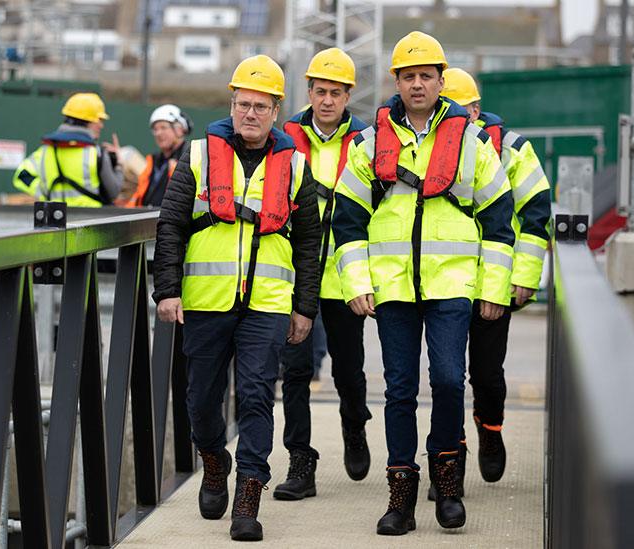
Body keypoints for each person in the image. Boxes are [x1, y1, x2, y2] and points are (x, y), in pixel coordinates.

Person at [331, 31, 515, 535]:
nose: (417, 84)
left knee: (451, 381)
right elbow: (346, 222)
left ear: (440, 80)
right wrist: (356, 282)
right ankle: (401, 499)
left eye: (425, 76)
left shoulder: (473, 144)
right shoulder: (369, 144)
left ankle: (448, 486)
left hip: (452, 285)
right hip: (391, 290)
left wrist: (495, 289)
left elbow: (500, 220)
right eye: (408, 76)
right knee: (399, 391)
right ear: (397, 81)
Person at [152, 54, 321, 542]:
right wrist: (167, 290)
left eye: (260, 106)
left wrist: (304, 306)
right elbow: (171, 224)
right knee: (200, 401)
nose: (250, 113)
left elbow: (310, 241)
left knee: (255, 397)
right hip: (205, 300)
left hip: (267, 303)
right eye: (243, 104)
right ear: (232, 105)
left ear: (275, 111)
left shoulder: (295, 166)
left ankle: (249, 494)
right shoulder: (200, 156)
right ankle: (213, 459)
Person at [437, 67, 552, 492]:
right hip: (446, 280)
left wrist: (523, 277)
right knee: (445, 376)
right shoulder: (429, 146)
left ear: (476, 109)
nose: (451, 115)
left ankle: (490, 429)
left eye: (459, 109)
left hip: (495, 280)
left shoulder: (512, 150)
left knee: (486, 374)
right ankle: (452, 457)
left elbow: (537, 213)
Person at [273, 47, 372, 502]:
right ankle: (300, 464)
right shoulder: (284, 140)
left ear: (349, 94)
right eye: (320, 91)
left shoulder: (369, 142)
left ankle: (355, 427)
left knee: (349, 372)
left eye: (335, 92)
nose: (327, 100)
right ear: (308, 92)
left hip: (346, 278)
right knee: (295, 372)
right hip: (297, 277)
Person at [12, 92, 122, 206]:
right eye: (99, 120)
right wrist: (119, 164)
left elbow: (21, 176)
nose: (101, 125)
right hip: (89, 220)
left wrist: (44, 191)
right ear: (88, 121)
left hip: (55, 221)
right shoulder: (96, 154)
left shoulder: (46, 151)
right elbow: (113, 192)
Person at [127, 104, 194, 207]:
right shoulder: (153, 161)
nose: (158, 133)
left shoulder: (192, 157)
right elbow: (139, 195)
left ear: (179, 130)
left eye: (163, 127)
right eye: (155, 129)